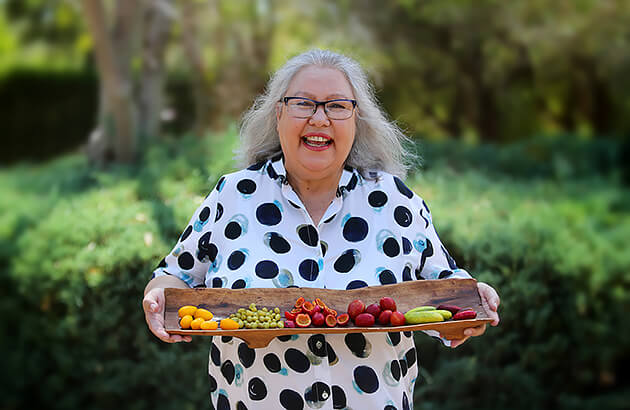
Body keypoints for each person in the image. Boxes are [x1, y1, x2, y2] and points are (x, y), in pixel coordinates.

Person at [142, 49, 500, 410]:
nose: (319, 118)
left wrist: (475, 297)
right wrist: (158, 296)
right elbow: (175, 277)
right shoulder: (233, 196)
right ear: (278, 113)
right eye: (303, 103)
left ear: (356, 119)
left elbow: (448, 293)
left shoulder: (395, 203)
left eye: (337, 106)